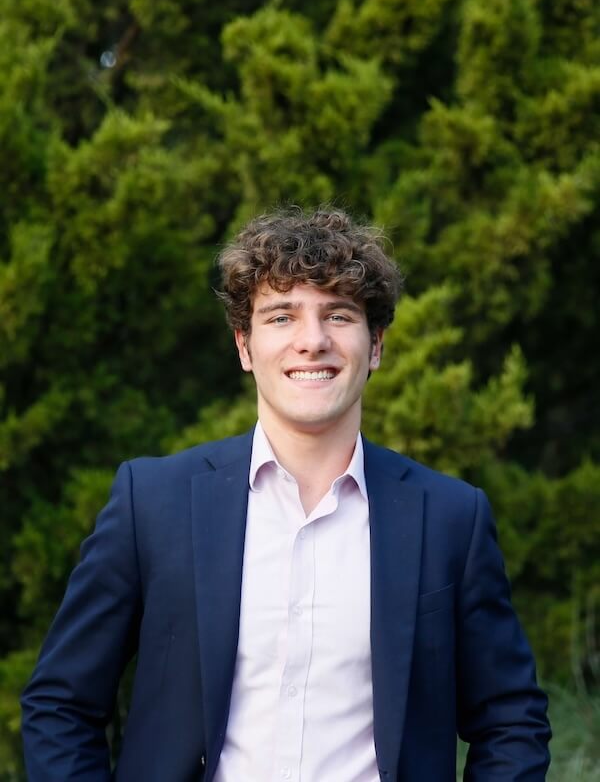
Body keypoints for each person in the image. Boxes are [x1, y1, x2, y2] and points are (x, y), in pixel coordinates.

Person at [21, 207, 551, 781]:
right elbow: (61, 705)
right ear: (245, 347)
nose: (312, 341)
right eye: (281, 317)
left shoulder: (451, 517)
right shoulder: (151, 503)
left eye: (338, 314)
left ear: (375, 345)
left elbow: (511, 722)